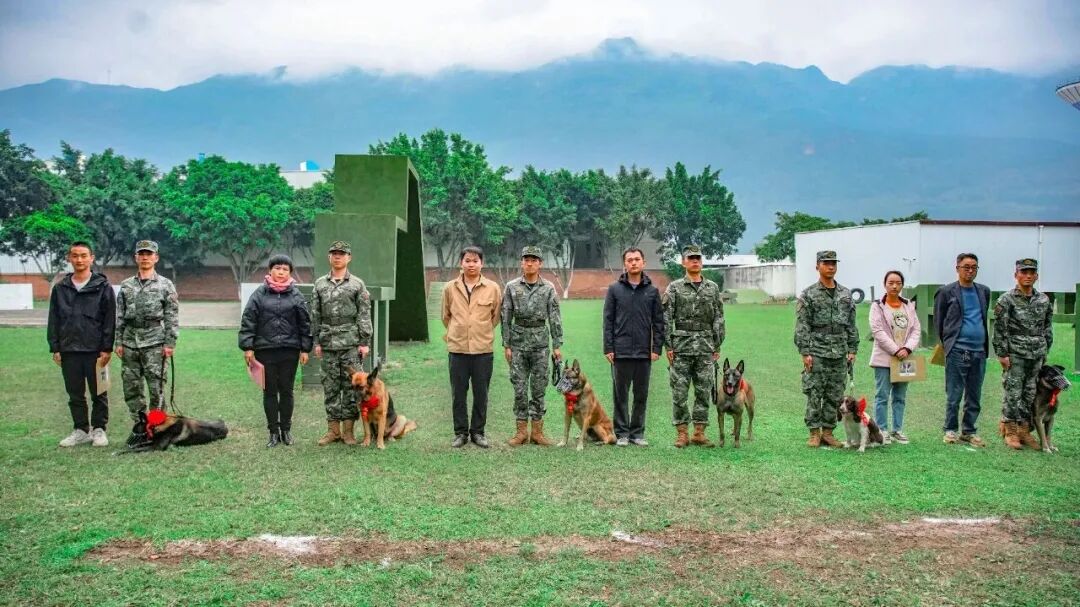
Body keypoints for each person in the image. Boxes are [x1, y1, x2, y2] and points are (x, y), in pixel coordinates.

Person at [47, 241, 116, 447]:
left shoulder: (103, 287)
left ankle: (99, 429)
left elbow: (110, 320)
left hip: (96, 351)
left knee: (99, 393)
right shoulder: (60, 288)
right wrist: (55, 347)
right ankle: (80, 430)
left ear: (91, 258)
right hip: (69, 350)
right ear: (69, 258)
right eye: (75, 255)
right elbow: (54, 319)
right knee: (75, 394)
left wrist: (107, 348)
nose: (79, 260)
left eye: (84, 255)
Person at [238, 254, 312, 447]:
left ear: (290, 273)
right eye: (277, 268)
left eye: (285, 269)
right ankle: (273, 432)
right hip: (265, 350)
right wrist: (248, 347)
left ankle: (286, 431)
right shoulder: (259, 294)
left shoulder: (296, 295)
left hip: (289, 351)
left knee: (287, 391)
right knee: (269, 392)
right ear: (270, 270)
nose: (281, 272)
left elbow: (305, 323)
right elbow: (248, 320)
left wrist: (305, 349)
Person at [115, 240, 180, 447]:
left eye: (149, 254)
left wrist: (170, 343)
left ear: (156, 258)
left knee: (156, 389)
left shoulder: (165, 285)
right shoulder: (126, 285)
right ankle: (140, 427)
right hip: (130, 342)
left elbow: (172, 316)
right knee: (132, 388)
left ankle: (157, 429)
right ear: (136, 257)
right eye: (141, 254)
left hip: (155, 343)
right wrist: (118, 341)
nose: (145, 257)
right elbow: (120, 316)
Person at [310, 241, 372, 446]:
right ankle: (333, 431)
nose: (337, 257)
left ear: (349, 258)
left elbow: (364, 313)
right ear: (329, 257)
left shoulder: (357, 284)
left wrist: (364, 342)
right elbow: (315, 314)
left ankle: (348, 432)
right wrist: (317, 341)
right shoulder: (320, 284)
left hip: (350, 344)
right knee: (330, 387)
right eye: (334, 253)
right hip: (328, 343)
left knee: (352, 388)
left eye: (342, 254)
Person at [794, 250, 858, 448]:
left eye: (833, 263)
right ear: (817, 266)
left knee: (835, 394)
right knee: (814, 393)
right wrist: (805, 352)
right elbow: (802, 325)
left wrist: (852, 349)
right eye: (826, 263)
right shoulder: (808, 294)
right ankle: (814, 433)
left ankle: (828, 432)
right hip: (817, 351)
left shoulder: (845, 294)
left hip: (839, 351)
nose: (831, 266)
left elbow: (851, 324)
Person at [663, 244, 725, 448]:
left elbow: (719, 317)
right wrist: (668, 346)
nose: (695, 261)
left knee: (704, 391)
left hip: (706, 345)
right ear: (684, 262)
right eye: (691, 258)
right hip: (681, 347)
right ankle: (682, 433)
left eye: (698, 258)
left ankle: (699, 432)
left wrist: (717, 344)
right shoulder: (674, 287)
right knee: (679, 392)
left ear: (702, 262)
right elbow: (666, 318)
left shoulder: (712, 288)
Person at [501, 245, 563, 447]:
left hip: (540, 345)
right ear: (521, 262)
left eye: (533, 260)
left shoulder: (548, 288)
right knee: (519, 389)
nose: (529, 263)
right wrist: (506, 345)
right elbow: (506, 317)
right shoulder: (511, 287)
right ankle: (521, 432)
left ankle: (537, 432)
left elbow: (554, 317)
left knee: (538, 389)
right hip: (518, 344)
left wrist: (557, 344)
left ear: (540, 264)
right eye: (526, 260)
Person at [603, 247, 664, 446]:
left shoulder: (652, 291)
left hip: (644, 353)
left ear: (643, 262)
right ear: (625, 264)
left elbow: (659, 322)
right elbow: (608, 320)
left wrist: (656, 348)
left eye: (637, 259)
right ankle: (622, 433)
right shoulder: (614, 290)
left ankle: (637, 434)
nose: (634, 263)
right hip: (620, 352)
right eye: (630, 260)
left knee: (641, 395)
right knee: (620, 395)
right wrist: (608, 347)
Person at [442, 246, 502, 448]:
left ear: (481, 263)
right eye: (467, 260)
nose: (471, 264)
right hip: (457, 349)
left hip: (482, 350)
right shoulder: (450, 288)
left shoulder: (492, 288)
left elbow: (495, 317)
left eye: (475, 261)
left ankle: (478, 432)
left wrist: (479, 331)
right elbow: (445, 316)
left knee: (481, 394)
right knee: (458, 394)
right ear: (461, 263)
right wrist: (458, 331)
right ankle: (460, 433)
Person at [993, 258, 1054, 450]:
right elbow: (1000, 329)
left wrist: (1046, 349)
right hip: (1015, 353)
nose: (1028, 276)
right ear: (1016, 275)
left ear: (1036, 276)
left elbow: (1047, 326)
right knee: (1013, 391)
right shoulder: (1006, 299)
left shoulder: (1043, 300)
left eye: (1031, 273)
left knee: (1030, 392)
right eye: (1023, 272)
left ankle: (1024, 429)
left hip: (1036, 353)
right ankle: (1010, 430)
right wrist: (1002, 354)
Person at [933, 253, 990, 447]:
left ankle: (969, 431)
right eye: (966, 267)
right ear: (957, 268)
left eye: (974, 267)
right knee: (954, 393)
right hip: (957, 350)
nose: (970, 271)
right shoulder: (946, 292)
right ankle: (950, 429)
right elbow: (939, 321)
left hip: (979, 351)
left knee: (974, 394)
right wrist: (949, 343)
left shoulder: (983, 291)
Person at [868, 270, 920, 444]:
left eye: (898, 283)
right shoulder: (877, 306)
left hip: (905, 358)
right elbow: (877, 331)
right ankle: (882, 430)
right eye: (891, 283)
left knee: (900, 396)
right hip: (884, 358)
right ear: (885, 285)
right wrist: (896, 350)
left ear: (902, 285)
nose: (894, 286)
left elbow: (916, 330)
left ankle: (897, 429)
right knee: (882, 395)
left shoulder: (908, 305)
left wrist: (907, 348)